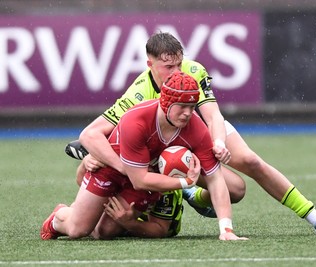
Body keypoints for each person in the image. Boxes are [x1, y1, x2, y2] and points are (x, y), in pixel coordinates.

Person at [73, 32, 316, 236]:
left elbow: (212, 115)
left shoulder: (193, 71)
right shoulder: (138, 92)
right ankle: (182, 185)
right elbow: (92, 134)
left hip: (197, 130)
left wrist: (217, 142)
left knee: (247, 171)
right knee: (96, 182)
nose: (176, 72)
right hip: (160, 145)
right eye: (168, 67)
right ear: (150, 65)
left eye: (178, 64)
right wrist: (105, 160)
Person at [40, 71, 248, 241]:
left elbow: (215, 179)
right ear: (166, 102)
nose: (188, 113)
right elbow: (139, 180)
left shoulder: (196, 128)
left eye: (192, 107)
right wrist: (185, 183)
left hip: (146, 177)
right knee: (78, 230)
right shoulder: (136, 120)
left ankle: (89, 210)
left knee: (105, 232)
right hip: (113, 170)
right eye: (182, 106)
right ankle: (59, 216)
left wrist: (226, 229)